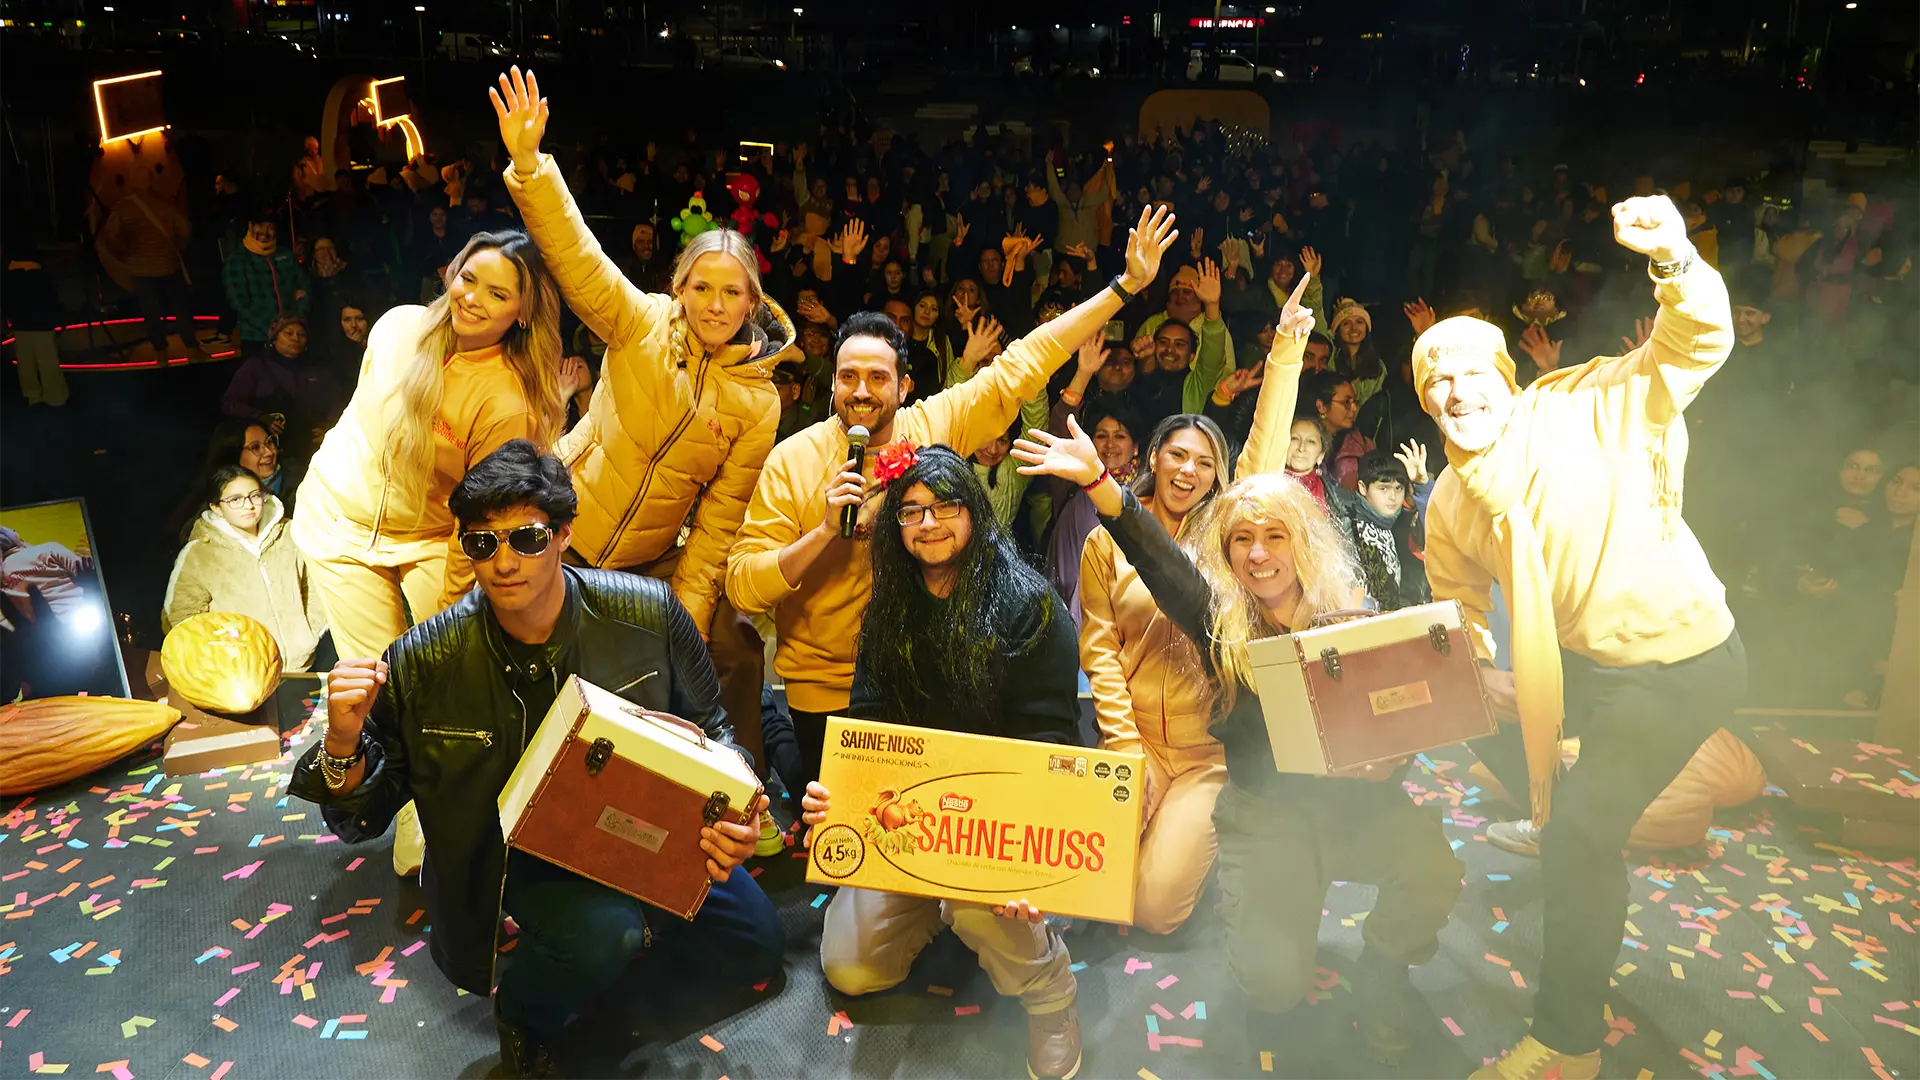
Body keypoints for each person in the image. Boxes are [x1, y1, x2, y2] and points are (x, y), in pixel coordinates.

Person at [288, 441, 783, 1080]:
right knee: (605, 933)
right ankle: (526, 1012)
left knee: (757, 945)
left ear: (564, 534)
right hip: (513, 850)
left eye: (525, 539)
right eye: (482, 543)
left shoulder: (648, 614)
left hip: (647, 824)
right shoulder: (427, 660)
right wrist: (341, 744)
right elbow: (365, 814)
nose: (503, 563)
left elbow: (716, 733)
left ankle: (608, 997)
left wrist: (739, 812)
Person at [1011, 406, 1465, 1068]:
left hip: (1355, 810)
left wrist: (1392, 761)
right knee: (1272, 987)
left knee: (1433, 869)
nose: (1257, 553)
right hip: (1266, 817)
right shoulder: (1220, 621)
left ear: (1303, 539)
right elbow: (1159, 562)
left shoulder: (1348, 611)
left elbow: (1404, 714)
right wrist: (1102, 488)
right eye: (1241, 539)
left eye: (1275, 536)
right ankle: (1266, 908)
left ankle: (1385, 969)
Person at [1415, 196, 1748, 1080]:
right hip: (1586, 669)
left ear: (1506, 376)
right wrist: (1478, 667)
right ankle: (1555, 804)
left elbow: (1696, 343)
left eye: (1473, 371)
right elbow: (1458, 608)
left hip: (1685, 663)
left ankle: (1567, 1045)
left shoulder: (1589, 404)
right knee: (1472, 714)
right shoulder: (1449, 500)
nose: (1458, 390)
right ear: (1424, 400)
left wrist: (1674, 257)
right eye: (1437, 380)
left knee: (1583, 837)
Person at [730, 204, 1180, 802]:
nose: (861, 391)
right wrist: (824, 533)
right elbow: (744, 586)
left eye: (877, 377)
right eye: (848, 377)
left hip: (923, 676)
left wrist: (1123, 288)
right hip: (826, 686)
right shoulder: (793, 460)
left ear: (903, 385)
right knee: (827, 811)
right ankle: (776, 731)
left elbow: (1025, 361)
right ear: (831, 381)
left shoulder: (931, 426)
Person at [493, 70, 793, 791]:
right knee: (533, 663)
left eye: (731, 292)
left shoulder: (759, 401)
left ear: (752, 302)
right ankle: (522, 796)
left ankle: (737, 795)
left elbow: (718, 526)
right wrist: (531, 166)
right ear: (678, 287)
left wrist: (682, 622)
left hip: (652, 562)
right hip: (564, 532)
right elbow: (577, 258)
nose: (714, 304)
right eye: (701, 287)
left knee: (732, 650)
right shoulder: (639, 325)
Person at [800, 446, 1086, 1080]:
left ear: (974, 510)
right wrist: (838, 796)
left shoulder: (1029, 606)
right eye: (911, 511)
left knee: (983, 910)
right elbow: (866, 728)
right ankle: (935, 908)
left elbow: (1047, 745)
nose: (928, 524)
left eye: (945, 506)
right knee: (853, 968)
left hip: (996, 826)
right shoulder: (890, 607)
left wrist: (1030, 866)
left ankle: (1051, 994)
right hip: (905, 821)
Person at [292, 228, 567, 877]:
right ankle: (403, 818)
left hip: (430, 540)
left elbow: (479, 516)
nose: (474, 298)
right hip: (338, 525)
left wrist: (448, 615)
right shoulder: (396, 330)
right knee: (380, 687)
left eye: (498, 293)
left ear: (520, 312)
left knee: (438, 685)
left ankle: (441, 828)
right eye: (470, 278)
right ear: (452, 271)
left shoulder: (504, 400)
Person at [1075, 274, 1313, 937]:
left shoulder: (1228, 537)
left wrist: (1286, 348)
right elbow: (1099, 651)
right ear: (1153, 457)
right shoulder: (1107, 538)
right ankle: (1162, 832)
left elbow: (1266, 442)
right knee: (1088, 887)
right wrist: (1127, 755)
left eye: (1205, 463)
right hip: (1136, 741)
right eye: (1178, 455)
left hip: (1208, 753)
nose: (1189, 471)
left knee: (1153, 911)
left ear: (1217, 476)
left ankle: (1199, 845)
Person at [162, 466, 328, 701]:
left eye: (254, 495)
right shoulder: (200, 553)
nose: (248, 505)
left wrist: (307, 634)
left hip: (301, 669)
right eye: (235, 499)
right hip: (242, 681)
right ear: (216, 507)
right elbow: (182, 618)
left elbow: (316, 585)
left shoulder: (291, 534)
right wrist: (222, 659)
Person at [1326, 445, 1434, 612]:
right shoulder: (1347, 526)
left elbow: (1435, 531)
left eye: (1398, 488)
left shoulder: (1401, 523)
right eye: (1383, 488)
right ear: (1363, 488)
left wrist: (1422, 485)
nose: (1393, 497)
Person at [221, 314, 342, 459]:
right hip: (268, 447)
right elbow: (230, 403)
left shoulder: (317, 369)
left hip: (311, 446)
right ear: (274, 338)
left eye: (302, 334)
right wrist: (260, 417)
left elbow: (338, 401)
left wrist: (328, 426)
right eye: (288, 333)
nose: (295, 338)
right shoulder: (256, 366)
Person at [222, 210, 309, 354]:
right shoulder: (237, 260)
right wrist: (273, 329)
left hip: (291, 336)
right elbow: (239, 303)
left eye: (270, 227)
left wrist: (295, 322)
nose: (265, 232)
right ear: (250, 226)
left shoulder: (286, 255)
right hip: (256, 337)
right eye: (260, 226)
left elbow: (305, 288)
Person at [1, 239, 68, 407]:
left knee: (25, 362)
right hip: (42, 324)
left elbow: (6, 301)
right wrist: (60, 320)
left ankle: (32, 395)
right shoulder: (40, 276)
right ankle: (55, 397)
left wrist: (9, 318)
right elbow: (52, 300)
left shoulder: (9, 277)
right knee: (48, 361)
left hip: (20, 324)